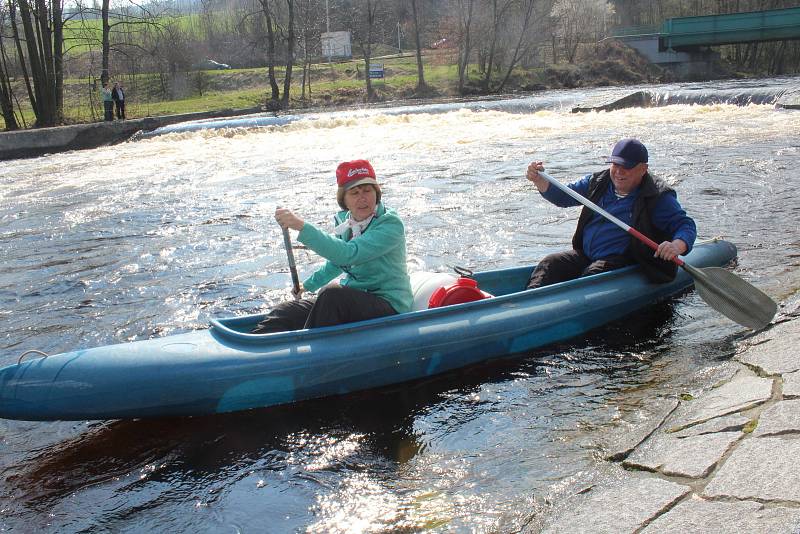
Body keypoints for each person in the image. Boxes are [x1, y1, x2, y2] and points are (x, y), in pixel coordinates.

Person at [252, 159, 413, 334]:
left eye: (367, 190)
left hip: (389, 304)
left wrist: (300, 226)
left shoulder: (390, 224)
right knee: (286, 311)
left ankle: (309, 352)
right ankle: (252, 352)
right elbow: (338, 263)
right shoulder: (346, 222)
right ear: (344, 200)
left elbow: (348, 255)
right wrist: (308, 285)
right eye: (354, 193)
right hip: (356, 297)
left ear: (377, 194)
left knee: (332, 295)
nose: (362, 198)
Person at [525, 138, 697, 289]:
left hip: (623, 260)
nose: (619, 172)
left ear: (643, 169)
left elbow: (685, 225)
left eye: (627, 167)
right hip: (587, 255)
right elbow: (563, 197)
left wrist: (676, 246)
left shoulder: (657, 196)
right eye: (615, 165)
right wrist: (539, 180)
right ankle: (528, 303)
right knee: (550, 263)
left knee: (594, 273)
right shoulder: (597, 182)